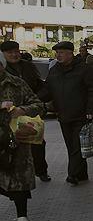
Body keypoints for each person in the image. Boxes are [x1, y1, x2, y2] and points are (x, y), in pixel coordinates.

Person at [42, 41, 93, 184]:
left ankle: (72, 174)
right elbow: (47, 90)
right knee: (71, 146)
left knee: (76, 146)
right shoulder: (54, 70)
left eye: (61, 53)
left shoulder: (84, 69)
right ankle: (81, 174)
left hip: (81, 115)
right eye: (57, 53)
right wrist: (34, 99)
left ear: (70, 53)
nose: (58, 55)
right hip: (63, 115)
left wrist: (91, 109)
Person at [0, 57, 48, 221]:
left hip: (16, 140)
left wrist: (23, 110)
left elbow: (38, 105)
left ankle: (22, 219)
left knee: (18, 181)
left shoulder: (16, 83)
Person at [1, 41, 50, 182]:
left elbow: (39, 86)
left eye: (16, 51)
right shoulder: (4, 70)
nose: (14, 55)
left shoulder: (28, 67)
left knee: (37, 142)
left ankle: (41, 170)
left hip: (27, 114)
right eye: (10, 52)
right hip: (8, 120)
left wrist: (36, 100)